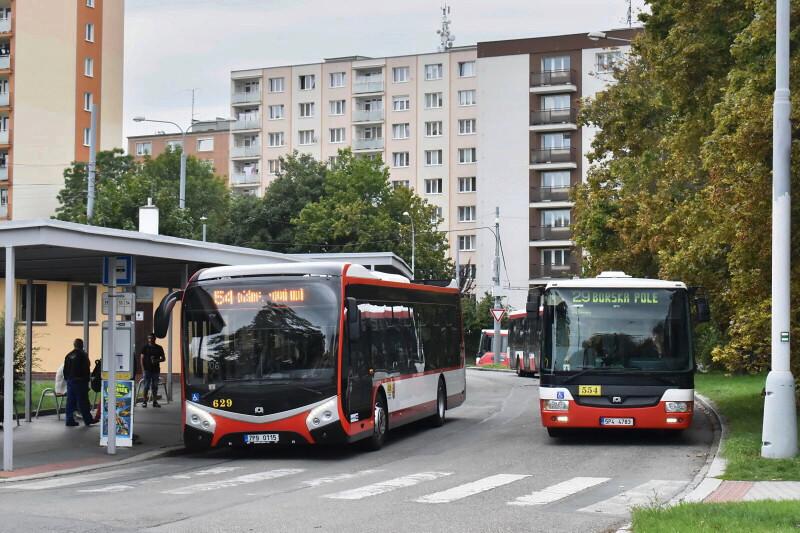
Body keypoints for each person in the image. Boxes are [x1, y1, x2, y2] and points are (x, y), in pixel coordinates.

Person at [63, 339, 95, 427]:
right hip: (80, 381)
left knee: (70, 401)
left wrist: (68, 379)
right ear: (82, 345)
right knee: (83, 401)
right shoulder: (83, 355)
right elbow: (86, 368)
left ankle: (69, 420)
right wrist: (86, 380)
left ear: (74, 345)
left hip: (70, 381)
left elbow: (65, 370)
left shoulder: (68, 355)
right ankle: (88, 420)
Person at [140, 333, 165, 408]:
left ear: (155, 338)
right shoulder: (145, 347)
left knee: (155, 386)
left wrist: (157, 360)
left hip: (156, 370)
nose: (150, 339)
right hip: (147, 370)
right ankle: (144, 402)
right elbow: (141, 359)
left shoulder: (159, 348)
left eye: (151, 338)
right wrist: (143, 370)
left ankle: (155, 402)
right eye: (149, 338)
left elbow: (163, 358)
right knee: (146, 386)